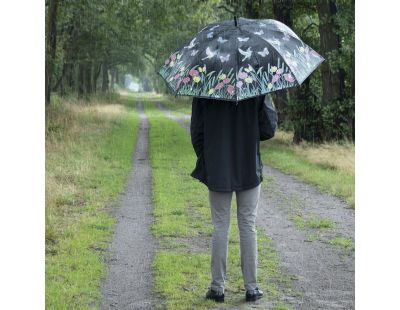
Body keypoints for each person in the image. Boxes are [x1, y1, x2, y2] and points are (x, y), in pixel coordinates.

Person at [190, 94, 274, 303]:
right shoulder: (256, 83)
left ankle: (217, 288)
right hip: (248, 166)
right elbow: (269, 128)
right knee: (248, 225)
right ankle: (252, 288)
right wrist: (249, 133)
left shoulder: (204, 85)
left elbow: (196, 133)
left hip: (218, 166)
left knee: (220, 225)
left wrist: (209, 156)